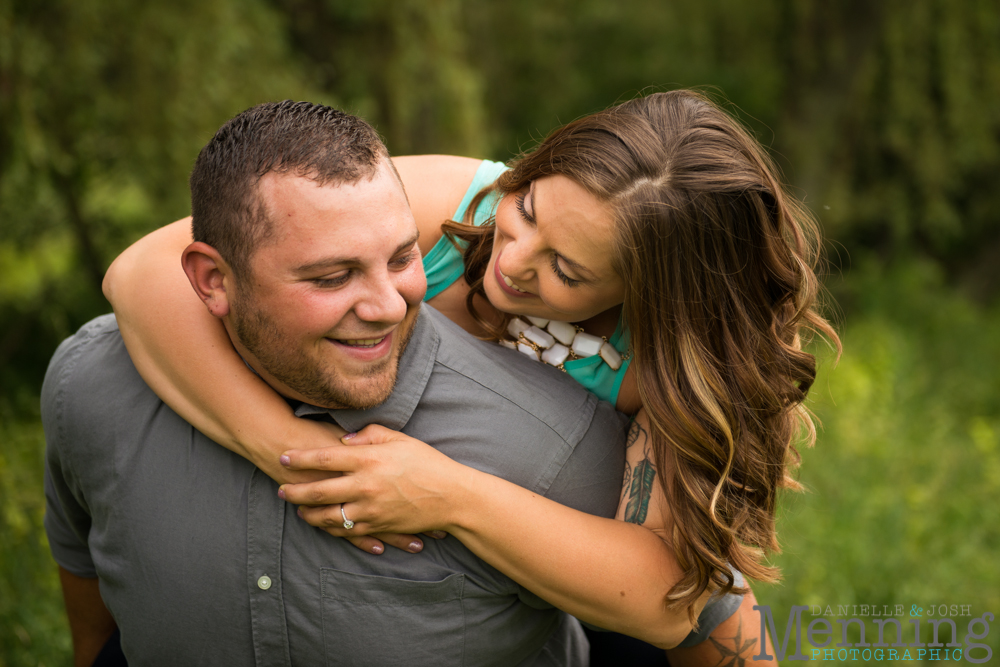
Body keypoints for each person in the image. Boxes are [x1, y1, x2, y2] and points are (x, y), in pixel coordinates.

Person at [105, 90, 829, 663]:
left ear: (652, 296)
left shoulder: (678, 357)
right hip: (435, 530)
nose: (515, 261)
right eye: (532, 210)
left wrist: (447, 494)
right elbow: (141, 273)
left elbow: (658, 595)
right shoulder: (465, 201)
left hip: (586, 532)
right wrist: (291, 452)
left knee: (723, 627)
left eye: (568, 271)